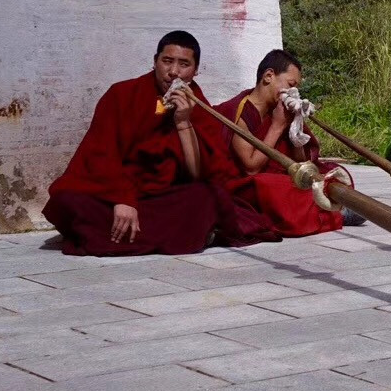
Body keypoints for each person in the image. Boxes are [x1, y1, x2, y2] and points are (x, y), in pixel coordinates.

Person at [42, 31, 279, 256]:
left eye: (184, 64)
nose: (174, 72)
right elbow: (101, 154)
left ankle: (110, 237)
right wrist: (123, 199)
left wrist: (183, 122)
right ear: (155, 61)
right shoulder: (122, 94)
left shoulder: (199, 107)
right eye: (167, 61)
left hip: (163, 197)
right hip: (118, 190)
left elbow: (199, 173)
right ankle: (169, 235)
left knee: (204, 197)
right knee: (67, 198)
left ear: (195, 70)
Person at [216, 49, 364, 237]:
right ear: (269, 76)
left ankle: (330, 207)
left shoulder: (279, 109)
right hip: (245, 185)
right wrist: (277, 126)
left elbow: (301, 164)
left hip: (277, 173)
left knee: (332, 172)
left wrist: (296, 129)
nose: (293, 92)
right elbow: (251, 168)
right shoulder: (239, 112)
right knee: (273, 186)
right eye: (290, 85)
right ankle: (333, 214)